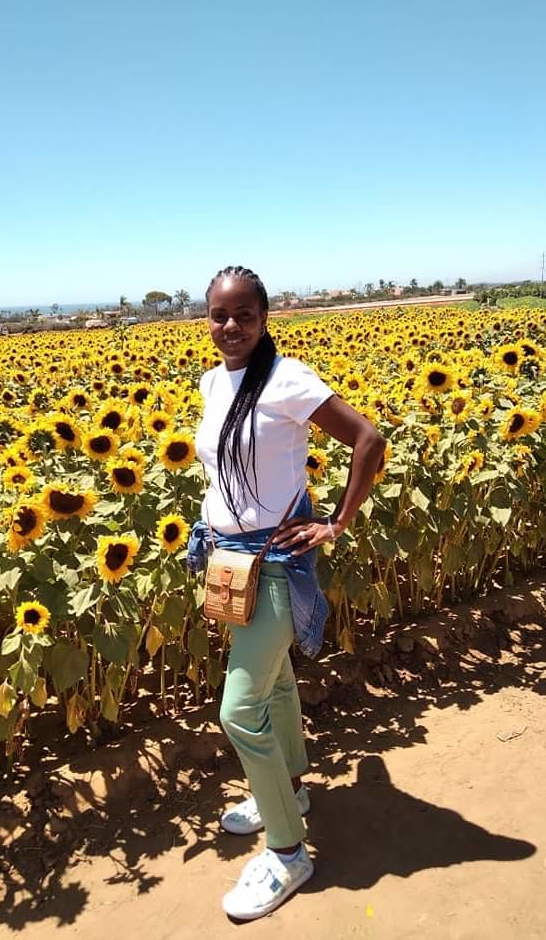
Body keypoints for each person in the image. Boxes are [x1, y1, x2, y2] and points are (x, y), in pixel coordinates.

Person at [188, 265, 386, 921]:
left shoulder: (286, 378)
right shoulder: (213, 382)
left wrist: (336, 522)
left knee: (240, 710)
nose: (231, 326)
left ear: (264, 316)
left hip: (274, 562)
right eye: (219, 314)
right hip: (228, 561)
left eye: (244, 313)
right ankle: (291, 790)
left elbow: (368, 439)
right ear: (207, 318)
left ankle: (287, 852)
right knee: (273, 686)